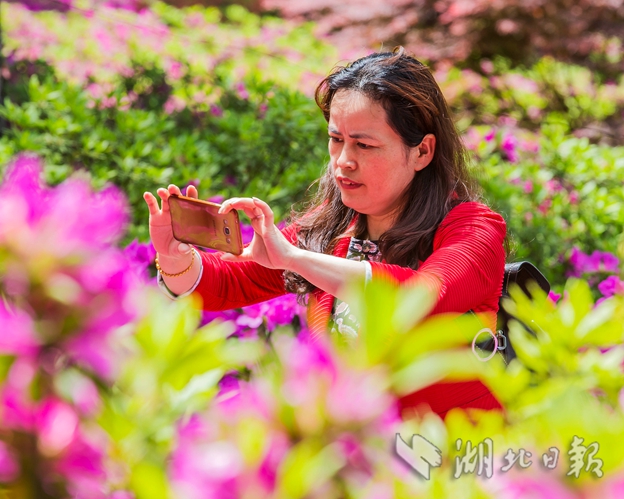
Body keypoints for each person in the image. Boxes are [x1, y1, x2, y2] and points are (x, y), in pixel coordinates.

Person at [143, 47, 507, 419]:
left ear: (422, 152)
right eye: (336, 139)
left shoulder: (475, 229)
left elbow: (421, 297)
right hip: (352, 457)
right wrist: (174, 257)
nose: (343, 160)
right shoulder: (331, 230)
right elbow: (225, 283)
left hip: (451, 461)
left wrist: (295, 259)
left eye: (364, 145)